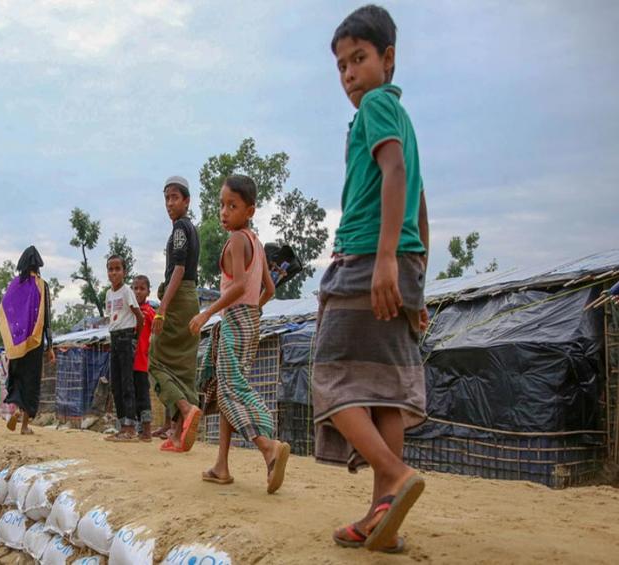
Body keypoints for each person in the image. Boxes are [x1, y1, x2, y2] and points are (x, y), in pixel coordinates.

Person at [316, 5, 429, 553]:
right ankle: (383, 516)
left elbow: (396, 174)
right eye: (341, 66)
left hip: (365, 258)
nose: (349, 74)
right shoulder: (400, 118)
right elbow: (419, 201)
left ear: (388, 59)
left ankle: (395, 473)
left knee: (328, 377)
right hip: (398, 260)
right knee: (383, 390)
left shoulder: (378, 108)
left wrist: (384, 259)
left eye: (358, 59)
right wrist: (416, 276)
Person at [190, 174, 291, 494]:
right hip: (249, 321)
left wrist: (208, 312)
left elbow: (236, 286)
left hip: (235, 321)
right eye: (221, 205)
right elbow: (269, 289)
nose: (224, 212)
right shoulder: (256, 243)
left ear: (249, 210)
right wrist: (251, 310)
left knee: (231, 392)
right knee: (225, 389)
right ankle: (221, 465)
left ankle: (268, 448)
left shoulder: (236, 240)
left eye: (232, 206)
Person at [150, 176, 203, 453]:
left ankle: (186, 407)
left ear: (187, 201)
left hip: (179, 298)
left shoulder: (180, 229)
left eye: (175, 197)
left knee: (155, 361)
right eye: (166, 198)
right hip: (191, 298)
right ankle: (178, 435)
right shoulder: (191, 229)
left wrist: (163, 308)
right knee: (183, 367)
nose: (170, 203)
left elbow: (179, 269)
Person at [0, 246, 56, 435]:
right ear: (38, 264)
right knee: (32, 381)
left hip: (18, 343)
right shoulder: (41, 284)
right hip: (35, 341)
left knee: (18, 378)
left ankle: (16, 409)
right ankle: (24, 424)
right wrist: (50, 345)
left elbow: (6, 309)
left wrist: (14, 334)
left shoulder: (15, 284)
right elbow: (46, 316)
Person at [103, 255, 144, 442]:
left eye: (117, 269)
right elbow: (111, 317)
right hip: (114, 338)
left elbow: (139, 316)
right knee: (116, 384)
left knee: (127, 383)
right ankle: (122, 425)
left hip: (126, 338)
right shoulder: (108, 294)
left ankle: (130, 428)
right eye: (110, 269)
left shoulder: (127, 291)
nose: (113, 273)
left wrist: (135, 338)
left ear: (124, 272)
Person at [131, 275, 155, 441]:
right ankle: (137, 429)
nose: (138, 291)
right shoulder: (130, 310)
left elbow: (158, 334)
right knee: (131, 395)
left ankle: (146, 430)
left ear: (148, 291)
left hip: (142, 361)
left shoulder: (150, 312)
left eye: (142, 288)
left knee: (142, 395)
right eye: (135, 288)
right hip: (129, 361)